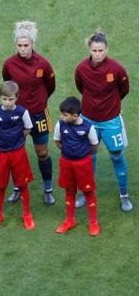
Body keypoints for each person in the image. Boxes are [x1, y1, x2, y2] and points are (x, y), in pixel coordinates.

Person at [74, 30, 131, 212]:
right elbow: (81, 88)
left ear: (106, 49)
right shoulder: (81, 69)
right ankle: (85, 193)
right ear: (89, 49)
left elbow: (124, 89)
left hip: (111, 121)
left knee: (116, 156)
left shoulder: (116, 69)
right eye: (94, 50)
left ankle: (124, 195)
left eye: (101, 50)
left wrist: (112, 106)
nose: (97, 54)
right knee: (89, 157)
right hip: (88, 121)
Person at [2, 21, 56, 205]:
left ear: (32, 44)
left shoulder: (43, 64)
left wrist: (39, 101)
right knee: (16, 153)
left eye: (26, 45)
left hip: (39, 115)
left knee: (42, 152)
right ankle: (18, 187)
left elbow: (50, 86)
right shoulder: (9, 64)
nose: (23, 49)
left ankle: (48, 189)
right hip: (16, 116)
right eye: (19, 46)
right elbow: (8, 87)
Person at [0, 81, 35, 230]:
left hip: (18, 153)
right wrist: (3, 138)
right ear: (0, 98)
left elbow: (28, 128)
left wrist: (18, 138)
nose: (7, 102)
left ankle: (27, 215)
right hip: (1, 153)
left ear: (17, 98)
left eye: (11, 99)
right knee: (0, 185)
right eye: (4, 99)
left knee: (22, 184)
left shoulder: (22, 112)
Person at [53, 97, 100, 236]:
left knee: (88, 192)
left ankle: (93, 223)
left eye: (65, 115)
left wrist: (81, 155)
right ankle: (69, 220)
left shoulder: (88, 127)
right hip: (66, 163)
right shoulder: (60, 125)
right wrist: (69, 152)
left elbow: (94, 145)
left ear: (75, 115)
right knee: (69, 191)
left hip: (83, 164)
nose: (62, 117)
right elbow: (57, 141)